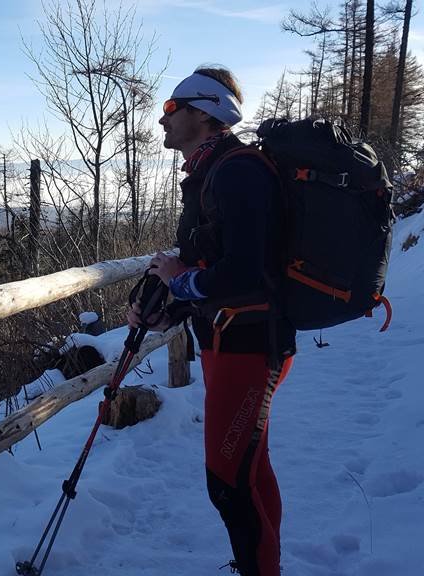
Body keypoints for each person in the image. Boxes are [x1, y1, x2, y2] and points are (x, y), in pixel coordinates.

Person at [127, 66, 297, 576]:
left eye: (171, 109)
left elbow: (245, 268)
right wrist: (170, 308)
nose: (162, 120)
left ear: (204, 113)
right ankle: (264, 564)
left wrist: (181, 282)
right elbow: (212, 263)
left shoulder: (238, 170)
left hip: (249, 345)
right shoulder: (212, 170)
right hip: (233, 341)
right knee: (249, 468)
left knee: (227, 480)